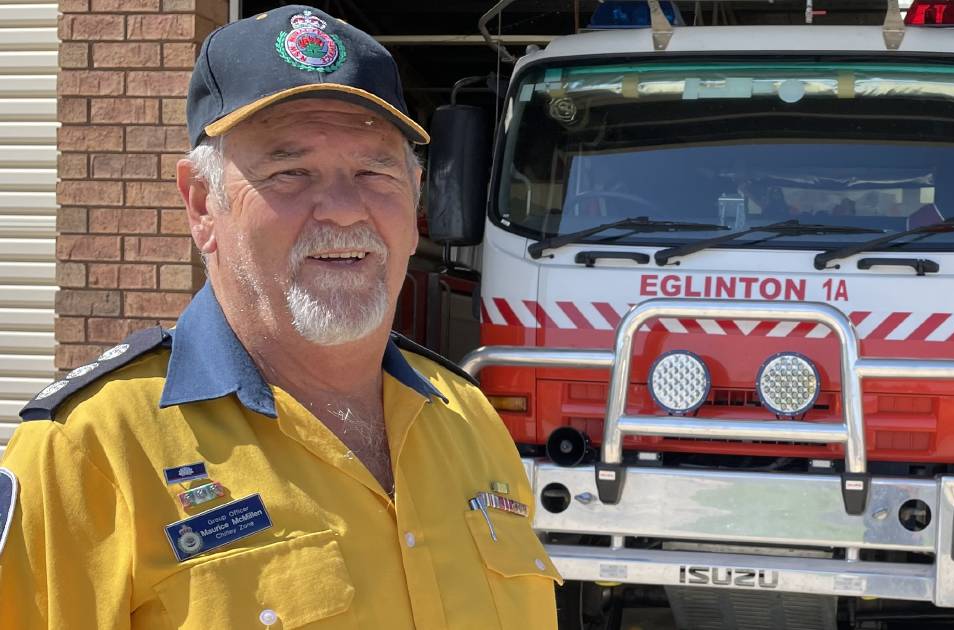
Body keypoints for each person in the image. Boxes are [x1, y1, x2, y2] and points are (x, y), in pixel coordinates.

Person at [0, 6, 560, 629]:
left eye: (374, 170)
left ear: (415, 199)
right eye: (289, 171)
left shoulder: (469, 418)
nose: (345, 210)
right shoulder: (87, 455)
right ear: (200, 204)